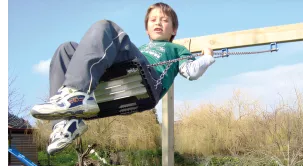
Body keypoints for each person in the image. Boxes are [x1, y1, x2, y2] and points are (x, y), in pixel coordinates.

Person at [31, 2, 215, 155]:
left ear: (174, 30)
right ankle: (65, 125)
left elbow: (192, 72)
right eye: (153, 20)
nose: (158, 23)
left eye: (164, 20)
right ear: (146, 30)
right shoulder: (142, 48)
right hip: (120, 72)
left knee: (106, 27)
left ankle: (76, 94)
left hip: (148, 79)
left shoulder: (176, 49)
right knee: (66, 49)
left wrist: (207, 56)